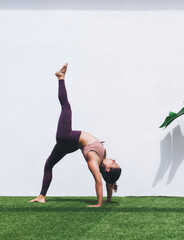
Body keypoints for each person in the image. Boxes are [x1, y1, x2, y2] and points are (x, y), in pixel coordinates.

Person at [29, 63, 121, 207]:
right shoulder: (103, 156)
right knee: (48, 165)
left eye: (114, 163)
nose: (114, 159)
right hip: (71, 144)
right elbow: (109, 181)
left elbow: (98, 181)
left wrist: (99, 204)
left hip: (66, 137)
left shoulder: (94, 161)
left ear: (108, 168)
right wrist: (108, 199)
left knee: (66, 106)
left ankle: (60, 77)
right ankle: (41, 196)